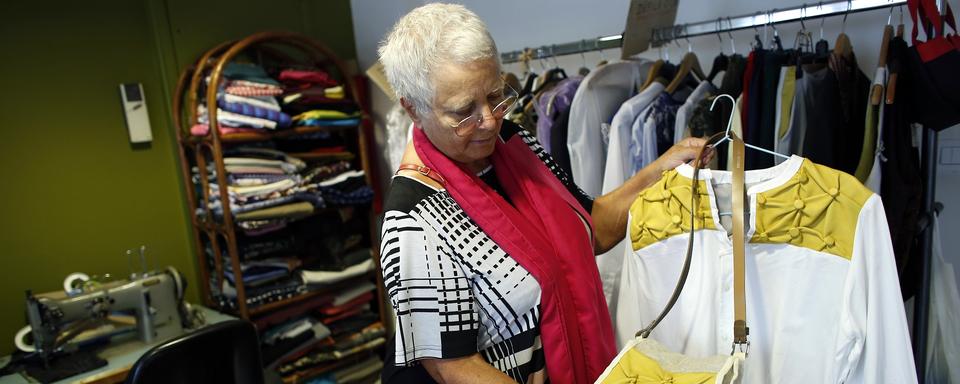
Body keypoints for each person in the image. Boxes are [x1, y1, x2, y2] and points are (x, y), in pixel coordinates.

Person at [377, 4, 708, 384]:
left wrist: (660, 169)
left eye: (495, 95)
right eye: (463, 111)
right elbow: (453, 367)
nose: (488, 120)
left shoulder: (513, 144)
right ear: (413, 110)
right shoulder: (414, 219)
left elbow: (591, 226)